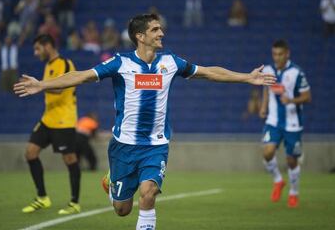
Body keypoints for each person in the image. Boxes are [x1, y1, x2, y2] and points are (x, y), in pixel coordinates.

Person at [14, 14, 275, 229]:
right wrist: (43, 85)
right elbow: (81, 76)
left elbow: (208, 72)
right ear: (140, 36)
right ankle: (111, 182)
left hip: (156, 144)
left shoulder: (170, 62)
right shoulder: (120, 63)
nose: (161, 33)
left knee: (148, 193)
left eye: (160, 28)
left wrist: (246, 78)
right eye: (155, 29)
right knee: (122, 210)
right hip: (123, 146)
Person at [20, 34, 81, 215]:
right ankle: (42, 197)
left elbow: (62, 87)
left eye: (38, 48)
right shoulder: (48, 65)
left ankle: (74, 202)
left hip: (64, 120)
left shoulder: (65, 63)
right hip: (48, 119)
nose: (35, 52)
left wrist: (41, 86)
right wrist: (41, 85)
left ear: (48, 46)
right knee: (30, 153)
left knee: (69, 159)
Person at [259, 39, 311, 208]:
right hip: (273, 121)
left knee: (291, 160)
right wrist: (263, 106)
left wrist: (291, 100)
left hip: (292, 123)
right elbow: (267, 90)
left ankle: (294, 192)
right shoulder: (268, 70)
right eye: (274, 54)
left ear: (287, 53)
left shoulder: (297, 72)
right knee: (267, 152)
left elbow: (307, 97)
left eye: (280, 54)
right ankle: (278, 181)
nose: (277, 57)